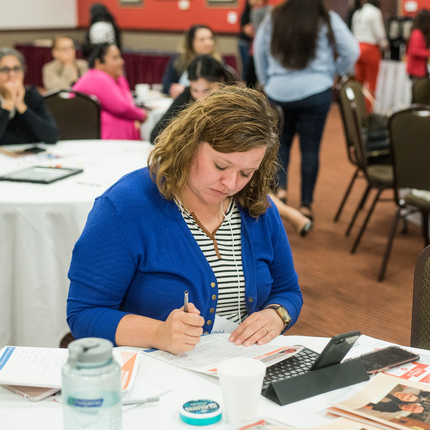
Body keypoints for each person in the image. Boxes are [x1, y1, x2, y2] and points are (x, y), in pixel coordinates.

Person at [67, 85, 303, 355]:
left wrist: (277, 315)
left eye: (246, 172)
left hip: (238, 369)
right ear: (189, 145)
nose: (230, 183)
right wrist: (158, 333)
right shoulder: (125, 207)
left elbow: (288, 292)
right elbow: (83, 315)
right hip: (157, 374)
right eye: (220, 166)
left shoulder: (256, 207)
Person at [151, 55, 312, 236]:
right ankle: (286, 211)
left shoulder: (239, 107)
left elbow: (256, 160)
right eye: (195, 90)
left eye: (206, 90)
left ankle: (282, 208)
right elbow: (156, 133)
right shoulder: (190, 99)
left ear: (220, 84)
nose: (200, 98)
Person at [254, 0, 359, 220]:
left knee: (278, 147)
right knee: (310, 150)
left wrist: (267, 82)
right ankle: (306, 205)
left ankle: (280, 192)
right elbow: (352, 51)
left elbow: (259, 53)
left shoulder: (273, 17)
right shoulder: (325, 17)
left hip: (278, 92)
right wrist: (333, 73)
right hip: (316, 91)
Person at [73, 43, 146, 140]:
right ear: (99, 63)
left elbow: (128, 105)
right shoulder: (95, 77)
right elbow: (122, 108)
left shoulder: (117, 79)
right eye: (115, 58)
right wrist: (142, 115)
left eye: (120, 57)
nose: (121, 61)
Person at [0, 47, 58, 145]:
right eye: (5, 70)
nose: (12, 75)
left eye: (17, 69)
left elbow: (52, 137)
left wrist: (21, 106)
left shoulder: (32, 95)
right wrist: (8, 105)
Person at [161, 24, 222, 98]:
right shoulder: (179, 59)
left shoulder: (217, 61)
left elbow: (223, 87)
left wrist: (186, 90)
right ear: (191, 42)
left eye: (210, 38)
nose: (208, 43)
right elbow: (166, 85)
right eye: (202, 39)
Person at [352, 0, 389, 110]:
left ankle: (356, 109)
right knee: (371, 83)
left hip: (357, 48)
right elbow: (379, 34)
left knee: (358, 83)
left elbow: (354, 33)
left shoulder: (357, 13)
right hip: (370, 49)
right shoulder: (375, 12)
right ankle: (367, 111)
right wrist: (385, 45)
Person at [407, 9, 430, 80]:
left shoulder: (418, 33)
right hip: (416, 70)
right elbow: (415, 51)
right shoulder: (417, 34)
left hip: (419, 69)